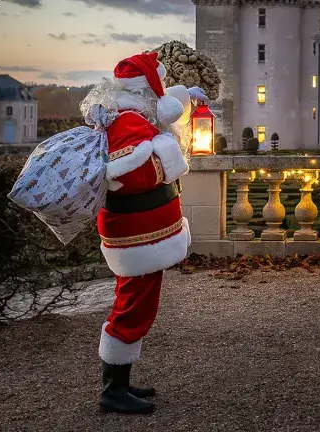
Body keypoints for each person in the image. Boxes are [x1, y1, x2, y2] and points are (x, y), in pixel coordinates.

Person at [87, 51, 207, 414]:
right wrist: (166, 155)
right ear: (144, 90)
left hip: (141, 238)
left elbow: (163, 106)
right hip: (136, 238)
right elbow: (134, 177)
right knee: (133, 307)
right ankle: (112, 391)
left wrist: (186, 96)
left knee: (135, 301)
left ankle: (120, 381)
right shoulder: (128, 122)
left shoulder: (134, 114)